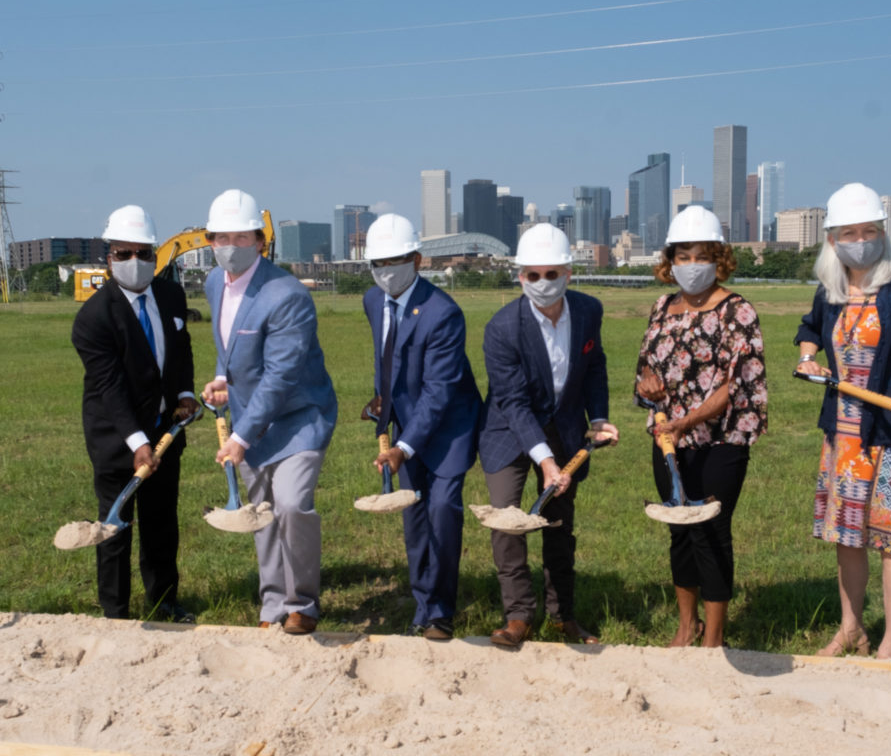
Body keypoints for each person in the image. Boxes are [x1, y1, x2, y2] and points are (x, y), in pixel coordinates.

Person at [795, 182, 891, 660]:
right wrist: (809, 357)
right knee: (848, 536)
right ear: (833, 240)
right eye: (850, 232)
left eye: (870, 230)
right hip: (846, 435)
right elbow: (810, 328)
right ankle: (851, 629)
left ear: (884, 234)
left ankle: (890, 644)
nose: (861, 239)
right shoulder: (830, 292)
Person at [201, 189, 337, 635]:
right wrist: (223, 379)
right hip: (249, 417)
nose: (231, 246)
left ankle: (303, 603)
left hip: (300, 418)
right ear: (209, 239)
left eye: (242, 237)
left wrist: (240, 438)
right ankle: (273, 603)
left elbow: (281, 376)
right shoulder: (211, 284)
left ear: (260, 241)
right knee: (261, 513)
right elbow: (231, 346)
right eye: (222, 237)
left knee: (293, 505)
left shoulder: (287, 295)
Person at [479, 223, 619, 648]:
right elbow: (514, 402)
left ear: (568, 273)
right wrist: (545, 462)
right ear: (520, 276)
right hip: (508, 431)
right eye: (532, 275)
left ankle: (563, 616)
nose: (542, 283)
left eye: (551, 273)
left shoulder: (589, 310)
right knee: (507, 522)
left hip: (566, 430)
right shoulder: (502, 328)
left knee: (559, 524)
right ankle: (519, 615)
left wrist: (597, 418)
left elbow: (594, 368)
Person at [634, 206, 767, 649]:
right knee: (679, 531)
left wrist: (688, 419)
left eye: (701, 256)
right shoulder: (661, 307)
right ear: (669, 261)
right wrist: (649, 389)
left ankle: (713, 637)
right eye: (683, 256)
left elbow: (738, 385)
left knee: (711, 532)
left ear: (720, 259)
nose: (692, 266)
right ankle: (685, 627)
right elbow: (646, 371)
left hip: (720, 440)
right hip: (670, 440)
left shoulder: (738, 311)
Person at [71, 204, 199, 622]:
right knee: (115, 527)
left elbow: (180, 352)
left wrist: (183, 393)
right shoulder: (93, 318)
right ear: (109, 257)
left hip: (165, 431)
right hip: (116, 437)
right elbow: (109, 388)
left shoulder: (171, 295)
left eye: (144, 253)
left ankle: (164, 604)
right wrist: (138, 443)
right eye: (124, 254)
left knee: (162, 524)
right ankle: (116, 613)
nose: (135, 262)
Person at [362, 213, 481, 641]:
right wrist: (383, 399)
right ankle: (422, 605)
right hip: (406, 421)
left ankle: (441, 613)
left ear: (417, 259)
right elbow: (386, 356)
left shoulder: (443, 313)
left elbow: (440, 391)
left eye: (394, 260)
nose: (385, 271)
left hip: (448, 426)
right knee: (414, 519)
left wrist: (403, 447)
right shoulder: (373, 300)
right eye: (377, 263)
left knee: (442, 512)